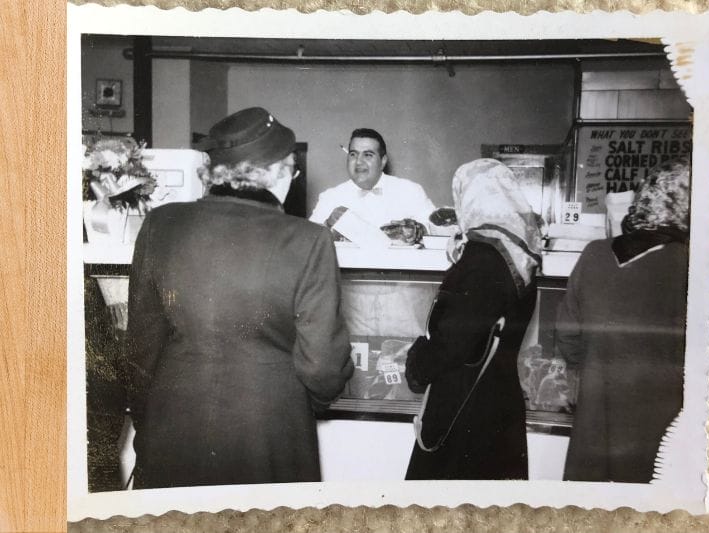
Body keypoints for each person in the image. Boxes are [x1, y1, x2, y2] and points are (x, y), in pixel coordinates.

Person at [125, 107, 354, 489]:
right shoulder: (308, 240)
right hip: (270, 439)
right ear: (280, 172)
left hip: (173, 431)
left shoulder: (160, 225)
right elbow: (323, 369)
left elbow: (141, 349)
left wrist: (148, 426)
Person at [403, 158, 542, 480]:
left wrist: (416, 360)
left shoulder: (482, 259)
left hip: (466, 409)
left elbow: (454, 344)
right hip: (498, 400)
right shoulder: (518, 253)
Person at [556, 156, 691, 483]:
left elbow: (567, 331)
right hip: (661, 422)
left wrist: (585, 369)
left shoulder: (594, 254)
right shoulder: (691, 264)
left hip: (595, 414)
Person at [308, 128, 436, 233]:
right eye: (353, 154)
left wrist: (417, 229)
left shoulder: (410, 190)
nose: (358, 162)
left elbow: (434, 228)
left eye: (368, 155)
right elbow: (309, 239)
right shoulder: (330, 197)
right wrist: (327, 224)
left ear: (383, 161)